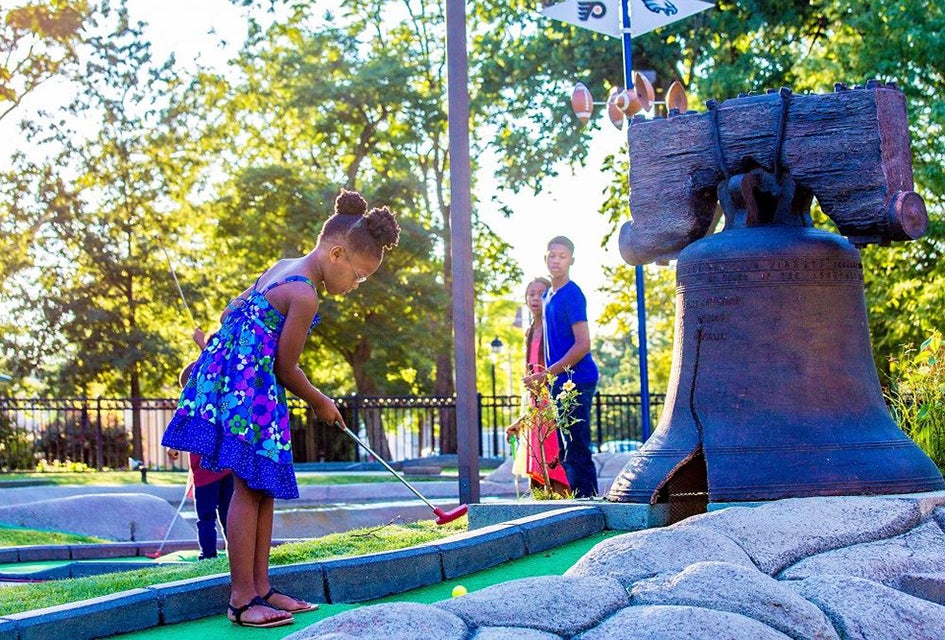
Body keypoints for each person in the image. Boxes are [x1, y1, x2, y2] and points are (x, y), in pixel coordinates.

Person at [161, 188, 400, 628]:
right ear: (337, 253)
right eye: (359, 275)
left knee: (261, 488)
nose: (355, 286)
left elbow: (231, 311)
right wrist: (322, 402)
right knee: (248, 490)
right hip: (250, 392)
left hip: (243, 387)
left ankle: (262, 589)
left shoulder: (280, 268)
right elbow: (286, 367)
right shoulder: (305, 293)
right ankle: (240, 599)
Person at [524, 236, 599, 498]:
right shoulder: (546, 296)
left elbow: (583, 344)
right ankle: (576, 499)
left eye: (562, 256)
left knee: (577, 443)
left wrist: (550, 373)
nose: (556, 260)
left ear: (571, 261)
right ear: (546, 259)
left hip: (578, 379)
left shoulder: (573, 294)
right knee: (565, 445)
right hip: (557, 380)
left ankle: (589, 501)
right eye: (552, 255)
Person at [167, 328, 234, 561]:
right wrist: (201, 345)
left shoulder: (201, 405)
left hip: (213, 471)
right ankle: (219, 552)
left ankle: (211, 554)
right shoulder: (206, 404)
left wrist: (202, 345)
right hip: (215, 470)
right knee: (221, 515)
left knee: (212, 515)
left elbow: (215, 370)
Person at [506, 277, 570, 496]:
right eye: (531, 293)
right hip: (535, 405)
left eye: (541, 293)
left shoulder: (553, 327)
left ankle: (565, 506)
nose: (535, 298)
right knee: (535, 460)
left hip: (551, 400)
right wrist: (520, 421)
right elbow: (530, 376)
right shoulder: (530, 331)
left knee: (553, 459)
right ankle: (540, 507)